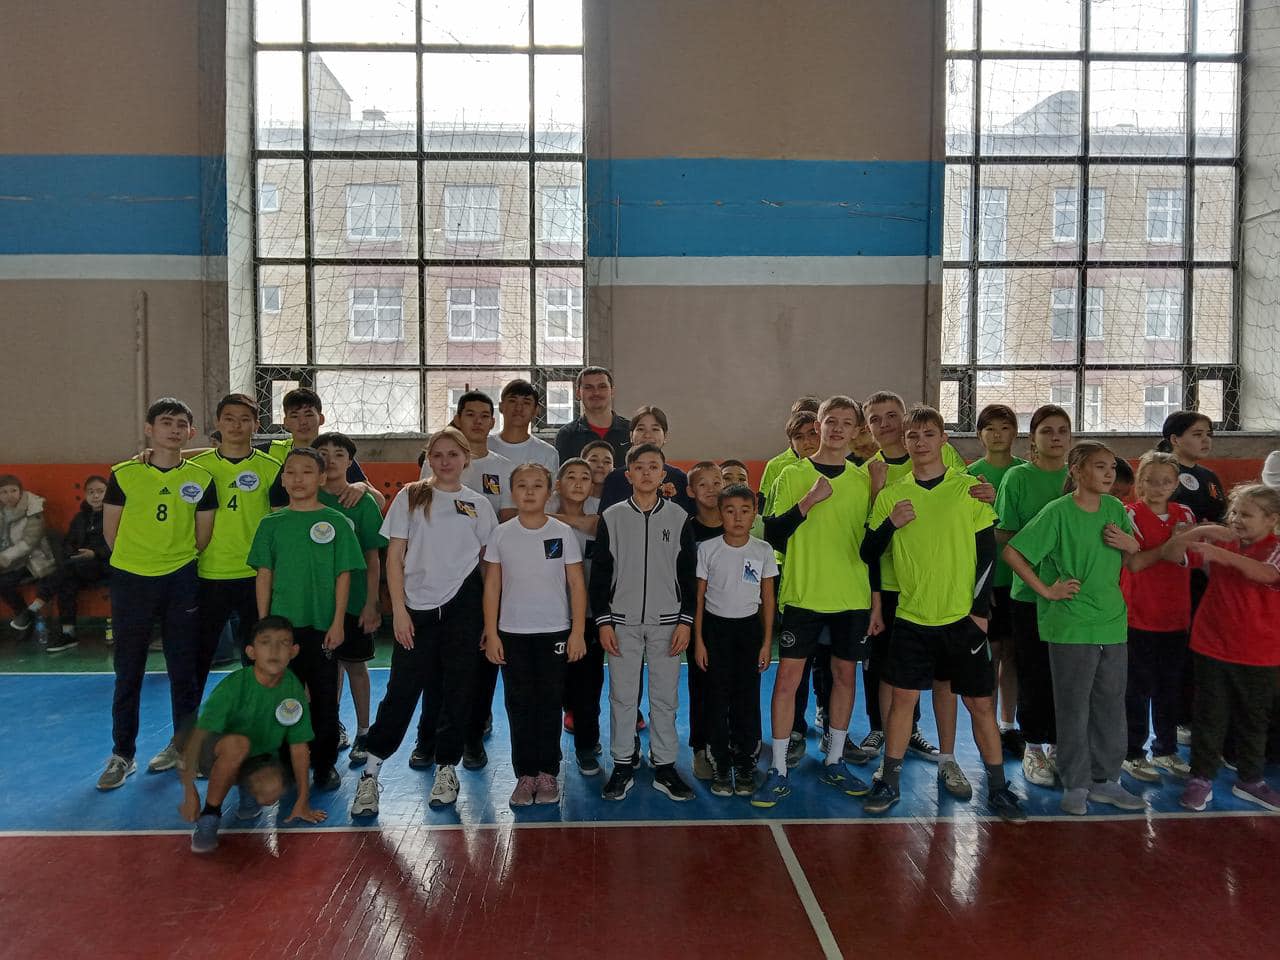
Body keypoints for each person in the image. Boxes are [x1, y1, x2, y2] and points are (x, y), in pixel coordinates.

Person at [859, 406, 1026, 822]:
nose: (920, 443)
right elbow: (868, 552)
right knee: (902, 701)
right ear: (905, 442)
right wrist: (890, 524)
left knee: (980, 705)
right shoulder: (893, 495)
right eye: (913, 436)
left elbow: (987, 554)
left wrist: (979, 612)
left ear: (943, 440)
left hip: (961, 620)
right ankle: (889, 781)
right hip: (912, 619)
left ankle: (998, 788)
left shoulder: (969, 490)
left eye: (928, 434)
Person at [1004, 442, 1160, 816]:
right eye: (1100, 466)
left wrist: (1131, 544)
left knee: (1110, 704)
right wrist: (1046, 590)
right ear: (1076, 470)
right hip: (1071, 624)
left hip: (1111, 622)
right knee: (1073, 706)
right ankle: (1076, 783)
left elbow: (1133, 562)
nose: (1108, 474)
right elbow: (1013, 552)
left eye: (1112, 467)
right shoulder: (1057, 512)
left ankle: (1107, 780)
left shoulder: (1115, 509)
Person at [350, 428, 497, 817]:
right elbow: (394, 557)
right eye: (438, 454)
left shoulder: (478, 504)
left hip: (464, 606)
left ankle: (447, 769)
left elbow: (488, 565)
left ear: (466, 459)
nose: (445, 461)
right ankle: (371, 773)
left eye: (453, 454)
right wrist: (398, 610)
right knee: (401, 692)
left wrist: (490, 621)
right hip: (416, 610)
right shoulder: (411, 495)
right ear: (428, 458)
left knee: (458, 691)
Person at [754, 396, 882, 807]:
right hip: (804, 594)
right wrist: (808, 501)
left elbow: (873, 545)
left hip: (851, 598)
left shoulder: (864, 480)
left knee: (844, 677)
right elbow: (773, 536)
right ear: (819, 425)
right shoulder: (791, 474)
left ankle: (835, 759)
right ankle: (777, 767)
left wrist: (876, 601)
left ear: (857, 430)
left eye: (847, 422)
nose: (838, 428)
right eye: (831, 421)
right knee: (788, 681)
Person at [855, 390, 987, 765]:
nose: (885, 424)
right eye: (875, 418)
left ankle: (924, 740)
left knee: (942, 675)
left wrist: (986, 493)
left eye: (891, 415)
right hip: (892, 586)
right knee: (888, 670)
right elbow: (867, 540)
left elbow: (965, 495)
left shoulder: (942, 455)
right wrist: (875, 601)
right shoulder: (867, 470)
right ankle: (883, 730)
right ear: (868, 427)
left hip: (941, 590)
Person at [96, 398, 218, 790]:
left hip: (180, 579)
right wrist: (138, 560)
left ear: (191, 432)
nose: (174, 429)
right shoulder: (125, 474)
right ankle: (123, 754)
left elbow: (202, 536)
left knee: (183, 669)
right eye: (166, 422)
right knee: (128, 669)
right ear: (150, 429)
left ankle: (185, 748)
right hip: (132, 581)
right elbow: (111, 532)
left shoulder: (201, 478)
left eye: (182, 424)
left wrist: (173, 559)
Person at [247, 447, 365, 793]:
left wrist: (338, 622)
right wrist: (263, 626)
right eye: (291, 472)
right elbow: (264, 575)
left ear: (322, 478)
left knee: (325, 699)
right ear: (283, 480)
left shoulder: (336, 522)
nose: (298, 479)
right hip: (282, 631)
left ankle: (324, 765)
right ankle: (286, 765)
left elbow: (344, 575)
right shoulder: (271, 524)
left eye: (307, 472)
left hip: (323, 627)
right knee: (284, 699)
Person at [410, 390, 514, 770]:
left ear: (492, 421)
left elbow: (507, 522)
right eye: (470, 414)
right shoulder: (435, 466)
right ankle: (427, 738)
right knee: (435, 666)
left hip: (482, 575)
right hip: (437, 581)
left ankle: (472, 736)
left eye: (484, 415)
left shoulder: (501, 467)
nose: (477, 421)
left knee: (480, 664)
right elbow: (422, 520)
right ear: (458, 418)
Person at [590, 442, 698, 802]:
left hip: (669, 623)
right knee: (622, 696)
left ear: (663, 474)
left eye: (654, 467)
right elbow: (601, 573)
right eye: (640, 467)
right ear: (629, 474)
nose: (647, 472)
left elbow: (688, 573)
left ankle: (664, 764)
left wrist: (685, 621)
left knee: (665, 697)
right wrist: (604, 622)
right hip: (622, 622)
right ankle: (623, 762)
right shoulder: (613, 516)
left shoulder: (679, 517)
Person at [483, 463, 587, 807]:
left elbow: (576, 584)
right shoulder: (501, 534)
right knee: (519, 702)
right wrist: (492, 632)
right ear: (512, 492)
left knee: (549, 701)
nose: (529, 491)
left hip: (554, 631)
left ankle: (547, 772)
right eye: (522, 485)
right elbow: (492, 585)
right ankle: (525, 774)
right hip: (513, 633)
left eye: (537, 485)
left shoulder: (562, 532)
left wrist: (577, 631)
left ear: (549, 492)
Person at [179, 616, 326, 853]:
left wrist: (303, 800)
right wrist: (189, 791)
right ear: (251, 652)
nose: (274, 650)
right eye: (265, 642)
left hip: (256, 755)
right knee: (238, 745)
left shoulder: (292, 689)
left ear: (294, 651)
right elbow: (195, 740)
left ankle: (247, 786)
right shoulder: (234, 687)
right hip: (210, 752)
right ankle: (209, 817)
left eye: (283, 643)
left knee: (270, 788)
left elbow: (299, 747)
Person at [1176, 484, 1280, 812]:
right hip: (1212, 645)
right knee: (1209, 715)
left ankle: (1250, 779)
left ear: (1272, 519)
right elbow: (1174, 552)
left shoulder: (1275, 548)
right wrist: (1200, 531)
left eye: (1246, 514)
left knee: (1254, 718)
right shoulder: (1222, 541)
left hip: (1260, 652)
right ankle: (1201, 778)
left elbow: (1265, 573)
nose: (1236, 519)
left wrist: (1221, 554)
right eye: (1234, 512)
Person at [994, 403, 1072, 787]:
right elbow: (1003, 532)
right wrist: (1040, 558)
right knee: (1033, 671)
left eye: (1062, 431)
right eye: (1047, 431)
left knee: (1066, 672)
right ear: (1033, 439)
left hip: (1072, 595)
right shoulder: (1018, 478)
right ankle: (1034, 746)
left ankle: (1059, 744)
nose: (1055, 438)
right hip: (1029, 593)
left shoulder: (1078, 477)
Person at [189, 394, 283, 692]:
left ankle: (258, 715)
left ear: (256, 425)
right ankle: (187, 720)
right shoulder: (196, 468)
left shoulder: (271, 468)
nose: (236, 425)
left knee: (256, 655)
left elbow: (280, 523)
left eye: (244, 419)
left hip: (256, 575)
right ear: (218, 422)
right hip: (209, 572)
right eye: (229, 418)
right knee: (199, 655)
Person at [1118, 452, 1198, 783]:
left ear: (1176, 484)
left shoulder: (1185, 513)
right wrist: (1170, 547)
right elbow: (1134, 562)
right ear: (1140, 482)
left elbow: (1190, 556)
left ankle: (1165, 749)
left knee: (1170, 686)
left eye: (1166, 481)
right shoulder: (1129, 514)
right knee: (1137, 688)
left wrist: (1172, 548)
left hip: (1175, 615)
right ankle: (1132, 753)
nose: (1158, 487)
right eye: (1150, 480)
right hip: (1138, 615)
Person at [693, 483, 777, 798]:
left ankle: (745, 763)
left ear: (754, 514)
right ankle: (719, 761)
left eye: (745, 511)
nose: (738, 517)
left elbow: (768, 599)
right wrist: (699, 641)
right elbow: (698, 599)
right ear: (720, 513)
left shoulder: (762, 551)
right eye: (730, 511)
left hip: (749, 632)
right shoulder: (707, 549)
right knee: (716, 698)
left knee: (746, 698)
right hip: (715, 631)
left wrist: (766, 642)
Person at [314, 432, 387, 766]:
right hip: (317, 603)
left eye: (339, 454)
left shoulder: (362, 502)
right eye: (323, 453)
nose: (330, 459)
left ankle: (364, 731)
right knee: (324, 669)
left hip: (355, 599)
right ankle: (330, 726)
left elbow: (373, 557)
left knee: (355, 665)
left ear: (350, 462)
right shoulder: (306, 498)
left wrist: (371, 603)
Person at [964, 403, 1027, 757]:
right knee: (991, 654)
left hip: (1021, 579)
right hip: (987, 578)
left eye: (1004, 428)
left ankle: (1008, 724)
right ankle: (985, 724)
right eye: (990, 429)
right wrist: (977, 582)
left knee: (1013, 655)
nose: (998, 435)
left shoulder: (1025, 472)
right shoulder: (971, 475)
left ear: (1014, 432)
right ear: (980, 435)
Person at [554, 458, 606, 774]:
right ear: (557, 485)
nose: (577, 482)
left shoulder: (601, 521)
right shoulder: (540, 522)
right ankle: (548, 752)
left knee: (589, 685)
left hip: (588, 617)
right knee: (555, 686)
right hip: (550, 618)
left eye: (585, 477)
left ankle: (587, 745)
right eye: (570, 476)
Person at [264, 387, 385, 511]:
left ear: (321, 419)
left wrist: (362, 487)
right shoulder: (271, 453)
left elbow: (380, 503)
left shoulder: (336, 456)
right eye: (295, 416)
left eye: (309, 415)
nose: (303, 422)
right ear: (285, 422)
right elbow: (276, 505)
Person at [685, 461, 728, 781]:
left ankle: (735, 744)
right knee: (701, 685)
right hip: (699, 620)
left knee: (734, 687)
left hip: (736, 618)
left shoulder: (735, 525)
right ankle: (700, 747)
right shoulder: (686, 530)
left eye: (718, 482)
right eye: (703, 484)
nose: (712, 489)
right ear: (690, 491)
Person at [40, 475, 113, 652]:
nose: (95, 496)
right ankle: (68, 633)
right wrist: (72, 554)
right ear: (85, 495)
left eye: (100, 491)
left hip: (105, 566)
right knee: (67, 582)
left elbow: (118, 543)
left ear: (108, 493)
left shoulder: (115, 515)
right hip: (79, 567)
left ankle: (37, 603)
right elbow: (69, 542)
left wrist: (95, 553)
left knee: (66, 572)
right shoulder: (80, 517)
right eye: (91, 492)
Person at [598, 407, 695, 514]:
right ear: (631, 436)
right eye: (641, 429)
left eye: (655, 429)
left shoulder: (679, 478)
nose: (647, 435)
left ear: (665, 436)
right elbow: (605, 519)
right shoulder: (614, 479)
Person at [0, 475, 59, 635]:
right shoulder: (2, 512)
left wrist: (4, 557)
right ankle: (23, 617)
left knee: (4, 582)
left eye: (13, 490)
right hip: (11, 560)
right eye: (4, 492)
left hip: (34, 559)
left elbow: (29, 542)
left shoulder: (33, 509)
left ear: (20, 492)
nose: (9, 495)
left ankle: (24, 618)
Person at [1159, 411, 1226, 525]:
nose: (1206, 440)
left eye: (1209, 434)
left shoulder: (1209, 476)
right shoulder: (1160, 473)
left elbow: (1222, 514)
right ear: (1175, 440)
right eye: (1197, 434)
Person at [555, 366, 631, 464]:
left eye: (602, 387)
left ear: (612, 391)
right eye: (588, 387)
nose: (596, 392)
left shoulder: (630, 431)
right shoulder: (567, 435)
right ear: (578, 393)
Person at [487, 379, 559, 473]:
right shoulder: (485, 446)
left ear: (536, 410)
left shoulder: (547, 453)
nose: (518, 408)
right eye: (512, 401)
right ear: (501, 406)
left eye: (526, 403)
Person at [759, 406, 820, 513]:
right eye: (799, 437)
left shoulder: (843, 469)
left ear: (822, 433)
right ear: (791, 444)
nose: (807, 441)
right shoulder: (785, 476)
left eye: (812, 434)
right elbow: (768, 516)